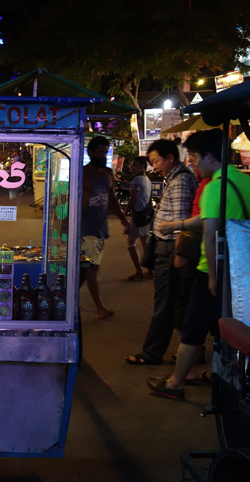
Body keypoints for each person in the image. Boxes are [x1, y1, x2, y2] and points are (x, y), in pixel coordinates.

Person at [147, 129, 250, 399]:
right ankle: (231, 377)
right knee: (234, 329)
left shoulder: (215, 187)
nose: (193, 162)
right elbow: (213, 219)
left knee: (193, 328)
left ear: (211, 156)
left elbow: (210, 234)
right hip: (244, 268)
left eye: (196, 156)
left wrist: (212, 276)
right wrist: (178, 224)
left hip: (213, 269)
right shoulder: (247, 184)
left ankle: (175, 384)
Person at [125, 139, 197, 364]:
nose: (153, 166)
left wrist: (178, 254)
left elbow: (180, 222)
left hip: (170, 249)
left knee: (165, 302)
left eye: (156, 161)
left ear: (170, 158)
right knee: (177, 302)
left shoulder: (181, 182)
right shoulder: (175, 179)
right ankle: (192, 350)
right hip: (166, 246)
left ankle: (152, 353)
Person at [81, 136, 130, 319]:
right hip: (85, 229)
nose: (103, 155)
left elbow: (112, 201)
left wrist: (123, 220)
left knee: (85, 269)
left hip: (100, 229)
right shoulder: (83, 173)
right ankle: (100, 308)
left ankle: (65, 300)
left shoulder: (109, 174)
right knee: (92, 268)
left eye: (105, 152)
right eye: (100, 152)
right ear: (91, 152)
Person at [123, 156, 153, 281]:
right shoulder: (147, 180)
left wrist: (124, 213)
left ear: (143, 167)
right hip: (146, 216)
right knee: (145, 243)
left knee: (131, 243)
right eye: (131, 166)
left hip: (138, 216)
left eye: (135, 165)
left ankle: (139, 272)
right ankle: (150, 271)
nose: (132, 168)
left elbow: (133, 198)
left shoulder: (137, 180)